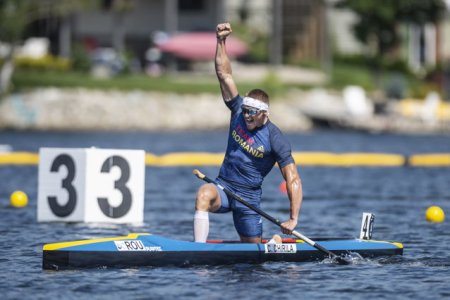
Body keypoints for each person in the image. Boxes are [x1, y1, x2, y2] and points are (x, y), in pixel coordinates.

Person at [193, 23, 303, 243]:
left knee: (252, 254)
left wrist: (292, 218)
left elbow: (293, 179)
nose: (246, 116)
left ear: (264, 113)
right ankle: (199, 250)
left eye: (251, 112)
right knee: (204, 194)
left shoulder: (275, 138)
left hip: (248, 200)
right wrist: (221, 42)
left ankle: (276, 241)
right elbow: (224, 74)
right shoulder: (237, 112)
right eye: (245, 111)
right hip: (223, 189)